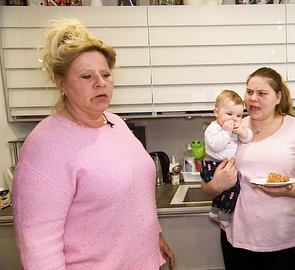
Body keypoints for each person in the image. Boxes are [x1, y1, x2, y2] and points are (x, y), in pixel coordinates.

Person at [12, 19, 175, 270]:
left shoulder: (116, 123)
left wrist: (155, 235)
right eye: (87, 76)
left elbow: (133, 195)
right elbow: (38, 248)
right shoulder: (45, 146)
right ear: (61, 82)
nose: (100, 82)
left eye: (106, 74)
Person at [201, 67, 295, 270]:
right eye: (249, 92)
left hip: (283, 240)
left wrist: (288, 189)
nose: (252, 98)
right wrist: (216, 185)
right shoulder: (233, 126)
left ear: (278, 97)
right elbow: (206, 187)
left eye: (261, 93)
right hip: (236, 238)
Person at [201, 90, 253, 227]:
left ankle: (214, 211)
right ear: (216, 112)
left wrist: (242, 131)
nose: (234, 119)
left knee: (224, 192)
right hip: (212, 165)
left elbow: (248, 138)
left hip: (224, 165)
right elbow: (216, 146)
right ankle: (224, 216)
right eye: (229, 114)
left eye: (239, 115)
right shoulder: (213, 129)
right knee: (233, 189)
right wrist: (227, 131)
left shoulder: (235, 127)